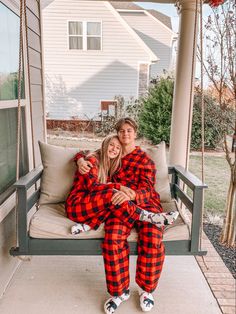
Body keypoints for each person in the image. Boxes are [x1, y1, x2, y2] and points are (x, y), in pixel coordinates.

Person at [76, 118, 178, 314]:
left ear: (135, 133)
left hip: (145, 204)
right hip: (118, 204)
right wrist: (80, 160)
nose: (125, 134)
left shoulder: (144, 159)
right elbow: (84, 153)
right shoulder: (112, 153)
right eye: (121, 131)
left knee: (153, 237)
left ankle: (146, 290)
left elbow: (148, 189)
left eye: (129, 130)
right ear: (117, 134)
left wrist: (131, 194)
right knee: (112, 238)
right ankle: (119, 292)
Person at [66, 134, 178, 236]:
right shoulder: (92, 160)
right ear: (105, 145)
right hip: (76, 206)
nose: (114, 149)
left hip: (91, 208)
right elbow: (93, 187)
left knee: (115, 200)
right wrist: (118, 187)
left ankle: (87, 226)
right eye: (111, 145)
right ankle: (149, 217)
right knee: (112, 194)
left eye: (118, 148)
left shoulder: (109, 164)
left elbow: (81, 153)